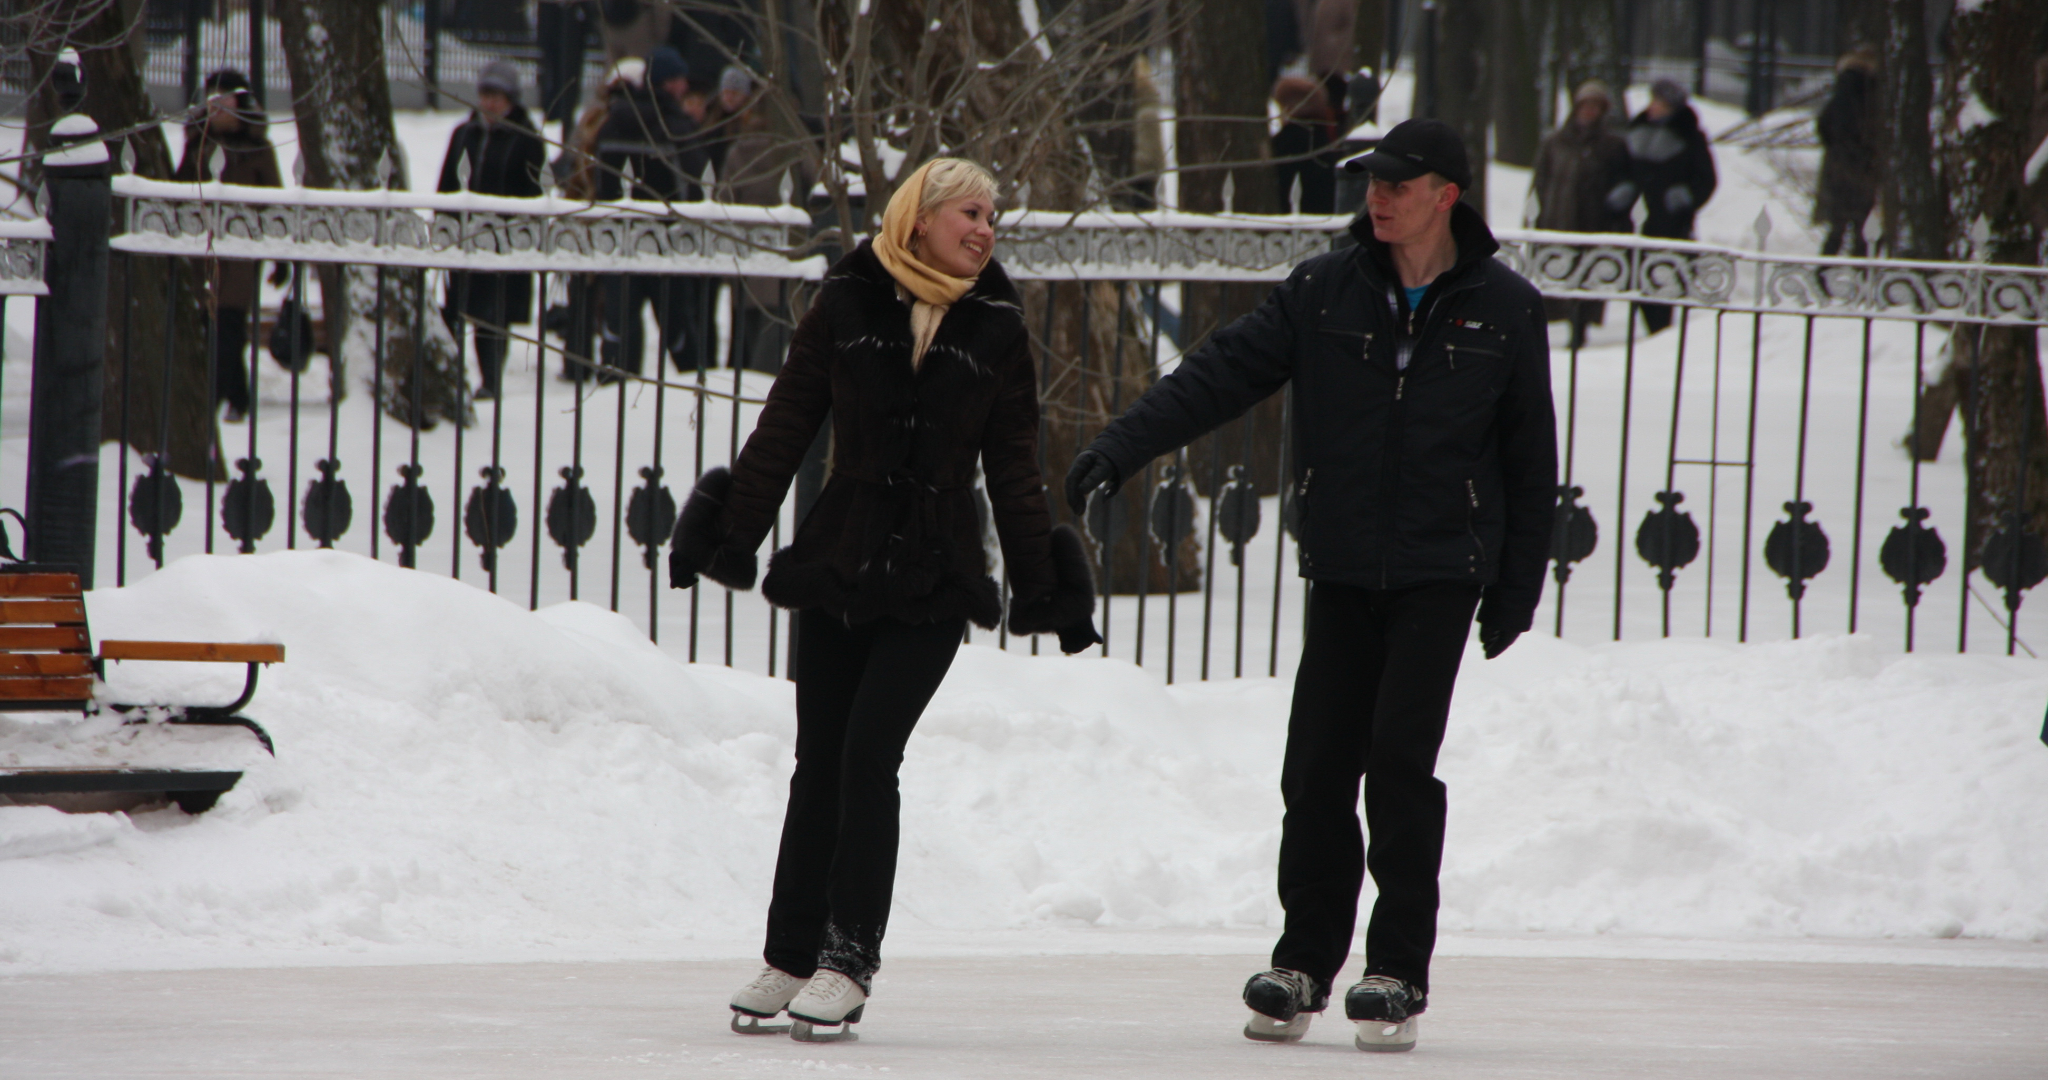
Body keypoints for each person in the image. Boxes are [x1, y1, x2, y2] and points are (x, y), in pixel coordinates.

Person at [1065, 118, 1557, 1053]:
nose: (1377, 196)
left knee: (1399, 768)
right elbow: (1217, 374)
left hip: (1439, 571)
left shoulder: (1504, 307)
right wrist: (1119, 448)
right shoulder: (1324, 290)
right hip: (1341, 564)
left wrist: (1515, 587)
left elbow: (1532, 459)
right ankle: (1303, 963)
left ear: (1446, 195)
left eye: (1397, 184)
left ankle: (1396, 972)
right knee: (1318, 769)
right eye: (1371, 181)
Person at [669, 158, 1102, 1041]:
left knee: (869, 754)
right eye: (971, 213)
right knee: (817, 760)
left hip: (935, 574)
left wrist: (1046, 589)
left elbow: (1015, 470)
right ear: (919, 218)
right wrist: (727, 536)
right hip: (838, 561)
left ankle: (846, 961)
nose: (986, 230)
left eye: (994, 218)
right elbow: (786, 426)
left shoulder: (997, 328)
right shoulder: (845, 301)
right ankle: (790, 955)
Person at [173, 68, 284, 424]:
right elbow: (176, 193)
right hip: (201, 251)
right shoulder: (197, 143)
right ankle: (233, 395)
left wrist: (281, 258)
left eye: (225, 101)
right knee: (207, 323)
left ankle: (228, 397)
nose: (218, 108)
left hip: (241, 251)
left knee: (230, 323)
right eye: (213, 101)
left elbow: (274, 204)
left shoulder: (258, 147)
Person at [595, 46, 711, 377]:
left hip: (621, 240)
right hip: (669, 243)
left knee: (619, 330)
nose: (685, 87)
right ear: (667, 83)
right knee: (680, 331)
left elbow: (603, 180)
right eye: (679, 80)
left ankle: (613, 395)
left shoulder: (615, 120)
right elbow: (693, 186)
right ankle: (697, 398)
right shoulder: (675, 125)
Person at [436, 60, 546, 399]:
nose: (490, 103)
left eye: (497, 96)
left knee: (493, 316)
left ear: (511, 98)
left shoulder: (526, 138)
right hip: (466, 239)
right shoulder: (464, 133)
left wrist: (521, 234)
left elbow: (533, 193)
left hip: (504, 243)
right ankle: (449, 377)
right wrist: (444, 226)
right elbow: (447, 185)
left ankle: (491, 382)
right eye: (486, 94)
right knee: (455, 310)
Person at [1531, 80, 1633, 348]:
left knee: (1586, 276)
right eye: (1585, 105)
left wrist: (1618, 202)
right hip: (1557, 218)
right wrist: (1539, 212)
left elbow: (1626, 181)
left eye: (1595, 107)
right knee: (1555, 275)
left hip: (1593, 221)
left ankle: (1580, 328)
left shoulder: (1612, 146)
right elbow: (1540, 180)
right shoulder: (1555, 142)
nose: (1589, 111)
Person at [1614, 78, 1716, 334]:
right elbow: (1621, 169)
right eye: (1653, 101)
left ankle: (1662, 331)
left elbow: (1706, 178)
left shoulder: (1690, 137)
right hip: (1634, 217)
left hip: (1670, 220)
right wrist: (1622, 189)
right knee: (1637, 276)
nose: (1653, 107)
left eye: (1659, 103)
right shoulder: (1636, 132)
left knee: (1666, 276)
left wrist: (1686, 196)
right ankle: (1651, 326)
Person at [1815, 48, 1880, 257]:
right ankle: (1861, 273)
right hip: (1861, 165)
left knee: (1837, 227)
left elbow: (1823, 124)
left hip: (1838, 164)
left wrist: (1835, 148)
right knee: (1863, 227)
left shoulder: (1841, 89)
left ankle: (1824, 270)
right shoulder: (1869, 91)